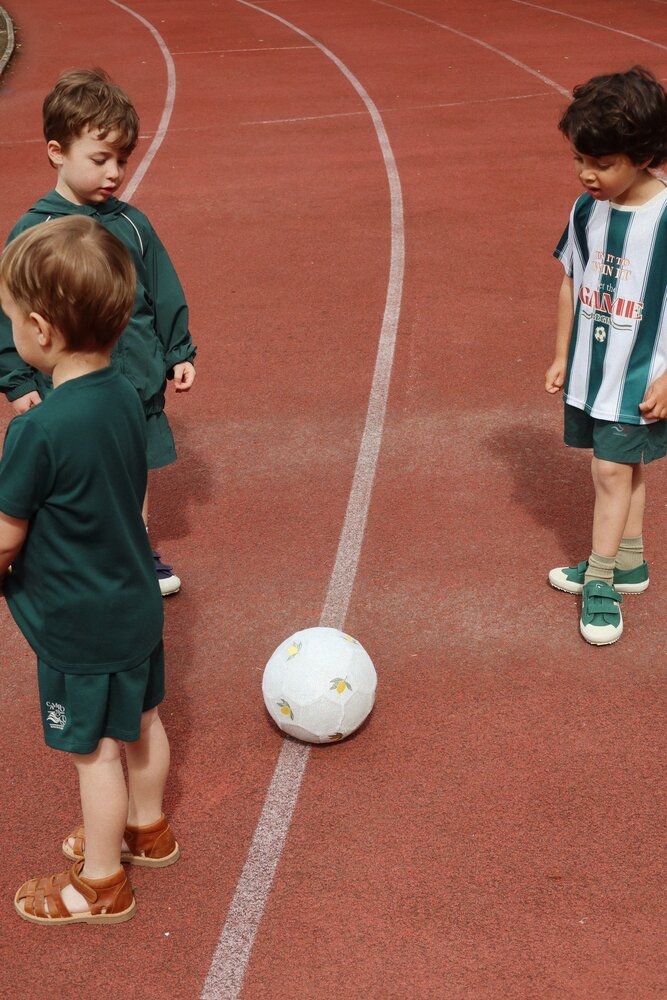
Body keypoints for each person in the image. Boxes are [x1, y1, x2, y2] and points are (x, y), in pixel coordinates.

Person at [0, 216, 179, 925]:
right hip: (133, 601)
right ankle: (147, 828)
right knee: (142, 720)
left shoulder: (37, 429)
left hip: (78, 622)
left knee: (93, 752)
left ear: (41, 330)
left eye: (10, 318)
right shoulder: (127, 400)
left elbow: (5, 535)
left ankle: (99, 883)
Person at [0, 67, 196, 596]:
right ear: (56, 151)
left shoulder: (132, 224)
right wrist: (17, 381)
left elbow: (163, 287)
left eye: (122, 161)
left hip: (136, 380)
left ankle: (137, 553)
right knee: (69, 474)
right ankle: (62, 557)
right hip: (65, 389)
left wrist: (178, 349)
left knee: (133, 470)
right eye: (100, 158)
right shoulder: (36, 232)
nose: (114, 173)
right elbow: (10, 310)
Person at [545, 65, 667, 645]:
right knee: (626, 466)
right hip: (594, 371)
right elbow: (572, 277)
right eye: (579, 160)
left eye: (603, 163)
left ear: (643, 155)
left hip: (642, 376)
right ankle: (630, 561)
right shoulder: (585, 209)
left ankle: (599, 582)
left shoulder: (666, 217)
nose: (587, 174)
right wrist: (562, 352)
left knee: (609, 469)